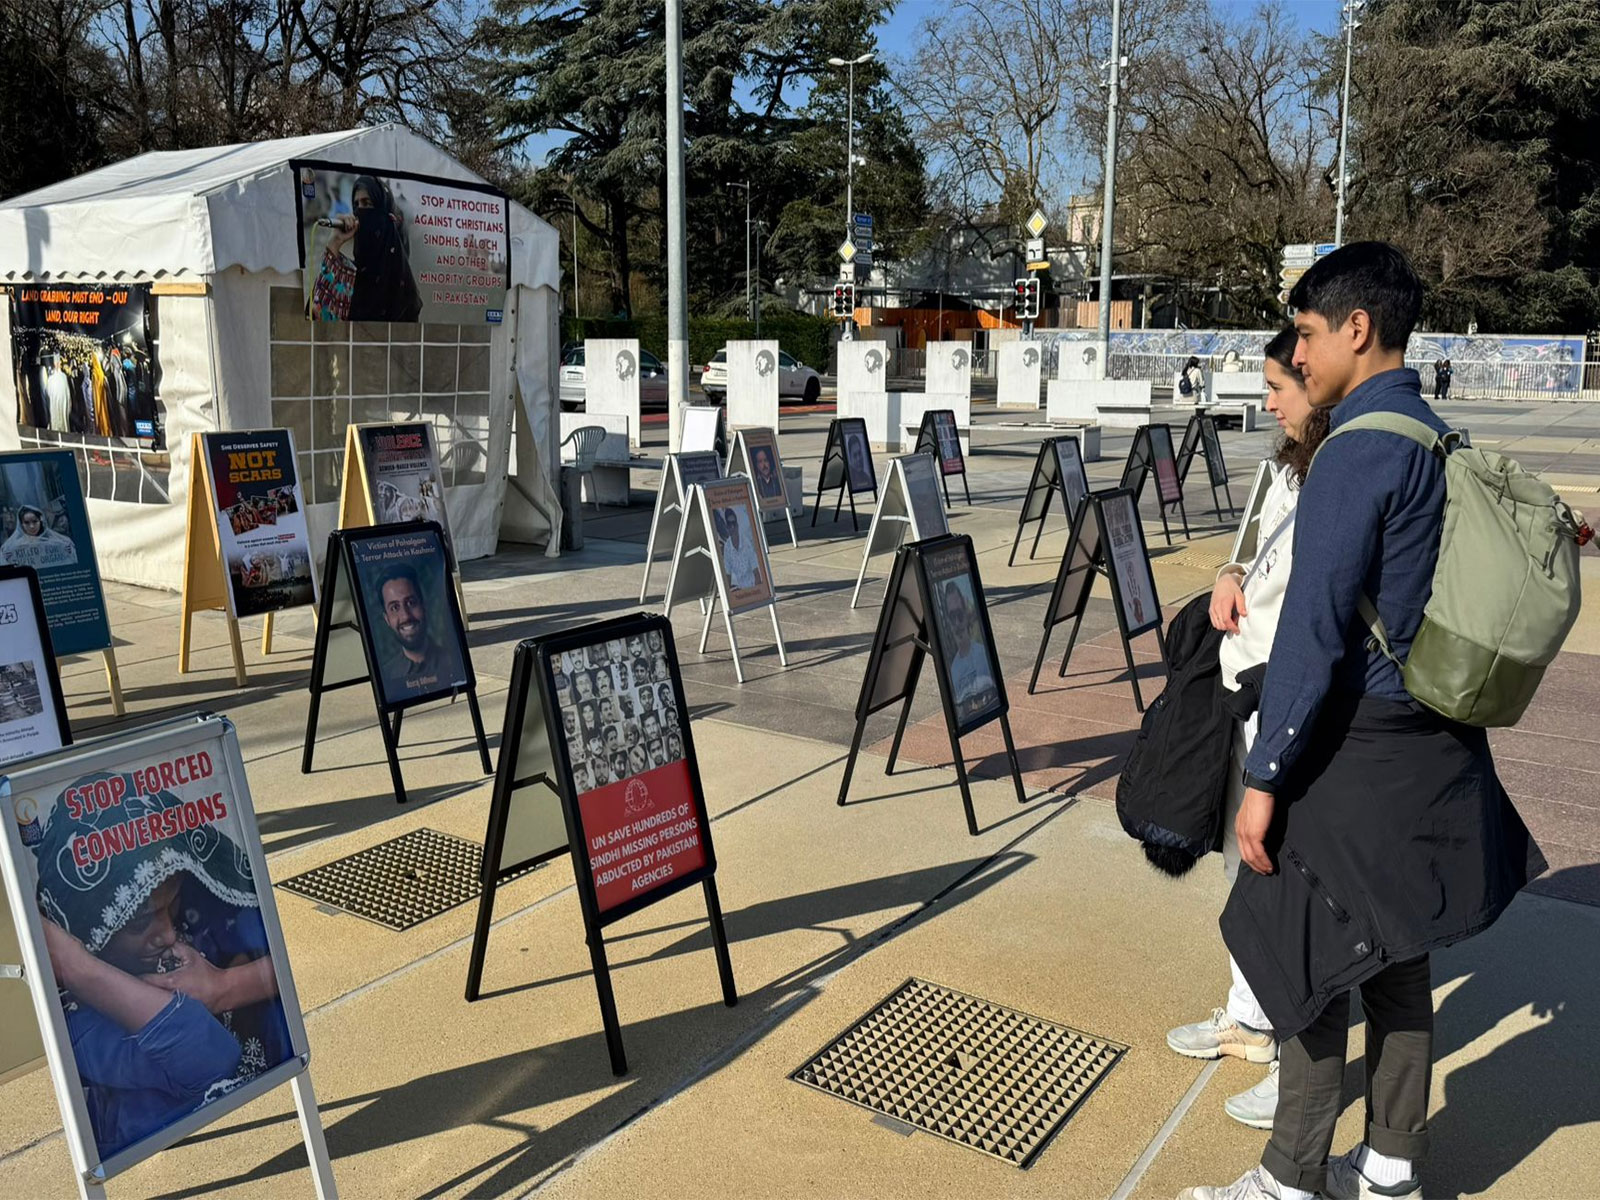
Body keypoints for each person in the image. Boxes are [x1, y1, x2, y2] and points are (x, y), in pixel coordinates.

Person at [1182, 243, 1539, 1200]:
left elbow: (1314, 631)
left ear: (1355, 329)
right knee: (1396, 956)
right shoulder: (1431, 434)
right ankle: (1387, 1172)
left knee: (1301, 959)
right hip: (1431, 739)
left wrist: (1264, 784)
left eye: (1304, 334)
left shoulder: (1355, 450)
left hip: (1354, 747)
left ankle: (1287, 1180)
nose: (1296, 356)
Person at [1165, 328, 1330, 1133]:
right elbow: (1259, 559)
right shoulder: (1290, 467)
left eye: (1277, 386)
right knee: (1249, 868)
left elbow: (1321, 615)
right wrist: (1230, 575)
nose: (1266, 401)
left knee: (1285, 879)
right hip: (1250, 695)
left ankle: (1295, 1054)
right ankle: (1253, 1019)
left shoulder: (1341, 474)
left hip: (1288, 706)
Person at [32, 784, 291, 1159]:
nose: (168, 933)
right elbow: (210, 1058)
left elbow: (285, 958)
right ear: (84, 933)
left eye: (173, 904)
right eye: (139, 922)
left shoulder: (176, 893)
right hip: (176, 1154)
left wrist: (227, 983)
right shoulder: (79, 1015)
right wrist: (77, 968)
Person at [316, 175, 423, 323]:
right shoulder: (347, 276)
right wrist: (335, 242)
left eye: (367, 204)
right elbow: (317, 317)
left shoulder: (401, 284)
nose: (360, 211)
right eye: (356, 205)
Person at [375, 564, 461, 696]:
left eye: (411, 602)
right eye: (394, 608)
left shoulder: (455, 662)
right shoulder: (386, 676)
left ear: (423, 605)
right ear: (387, 619)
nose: (405, 616)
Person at [940, 582, 995, 713]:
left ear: (965, 613)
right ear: (948, 621)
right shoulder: (953, 670)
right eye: (952, 617)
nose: (957, 623)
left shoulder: (984, 654)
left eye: (959, 614)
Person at [1, 504, 78, 569]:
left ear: (41, 521)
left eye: (35, 521)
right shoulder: (11, 547)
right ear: (21, 525)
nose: (31, 526)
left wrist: (68, 551)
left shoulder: (60, 541)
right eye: (27, 523)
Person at [718, 506, 761, 590]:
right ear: (727, 527)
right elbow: (728, 574)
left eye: (734, 524)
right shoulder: (728, 547)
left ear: (737, 525)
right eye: (730, 525)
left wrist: (758, 591)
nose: (732, 527)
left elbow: (756, 571)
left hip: (752, 586)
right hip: (738, 589)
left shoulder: (746, 542)